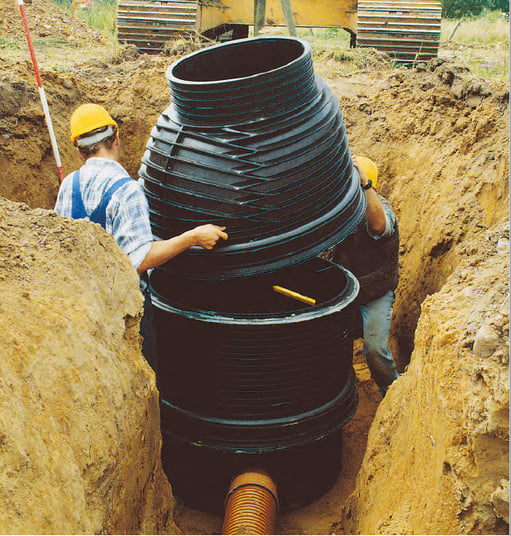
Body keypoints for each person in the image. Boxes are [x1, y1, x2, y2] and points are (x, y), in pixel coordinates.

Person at [54, 103, 228, 367]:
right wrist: (193, 237)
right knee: (141, 377)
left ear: (79, 151)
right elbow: (140, 259)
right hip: (124, 313)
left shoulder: (68, 185)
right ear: (117, 139)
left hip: (84, 308)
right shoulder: (127, 190)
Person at [327, 156, 399, 396]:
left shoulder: (379, 209)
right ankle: (345, 388)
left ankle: (392, 394)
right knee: (334, 345)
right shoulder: (341, 211)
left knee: (375, 350)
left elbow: (379, 226)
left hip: (375, 292)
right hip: (346, 292)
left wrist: (365, 186)